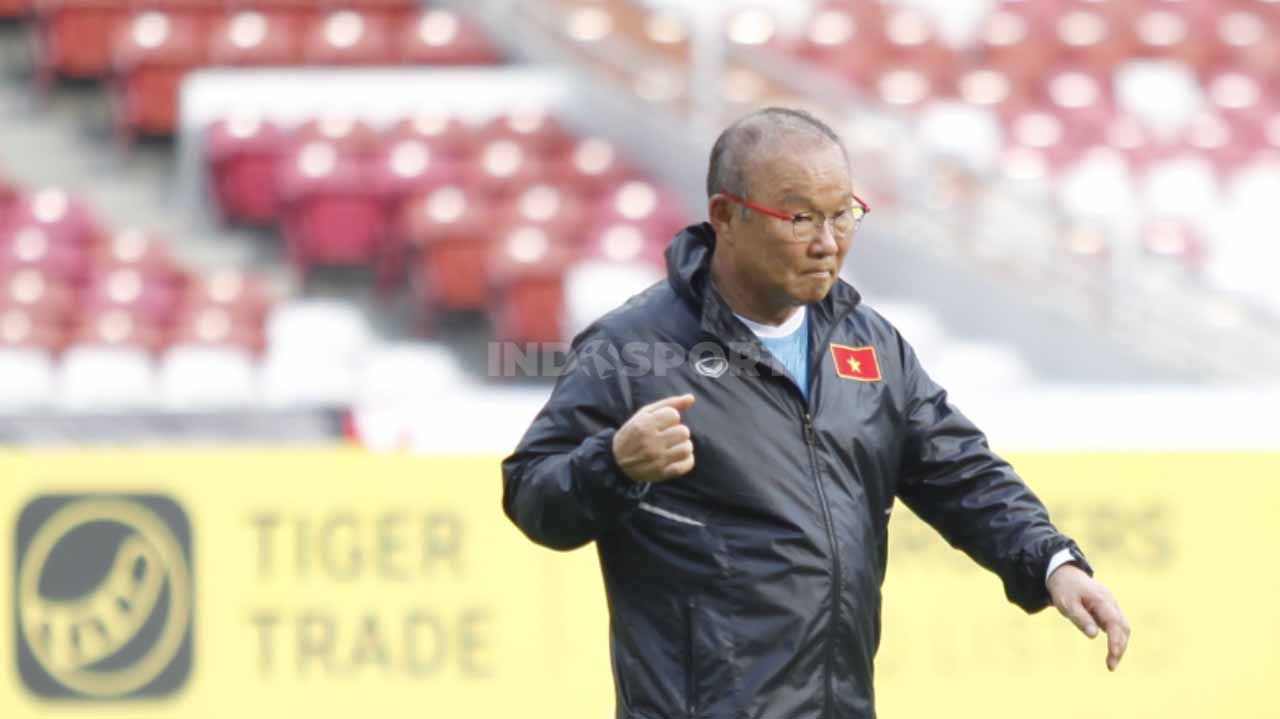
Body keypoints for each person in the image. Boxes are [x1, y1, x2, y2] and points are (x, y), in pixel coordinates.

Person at [502, 107, 1129, 719]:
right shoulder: (632, 349)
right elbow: (532, 494)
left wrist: (1052, 562)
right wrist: (613, 466)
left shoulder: (870, 344)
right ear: (726, 216)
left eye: (843, 215)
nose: (828, 244)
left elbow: (960, 471)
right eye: (800, 219)